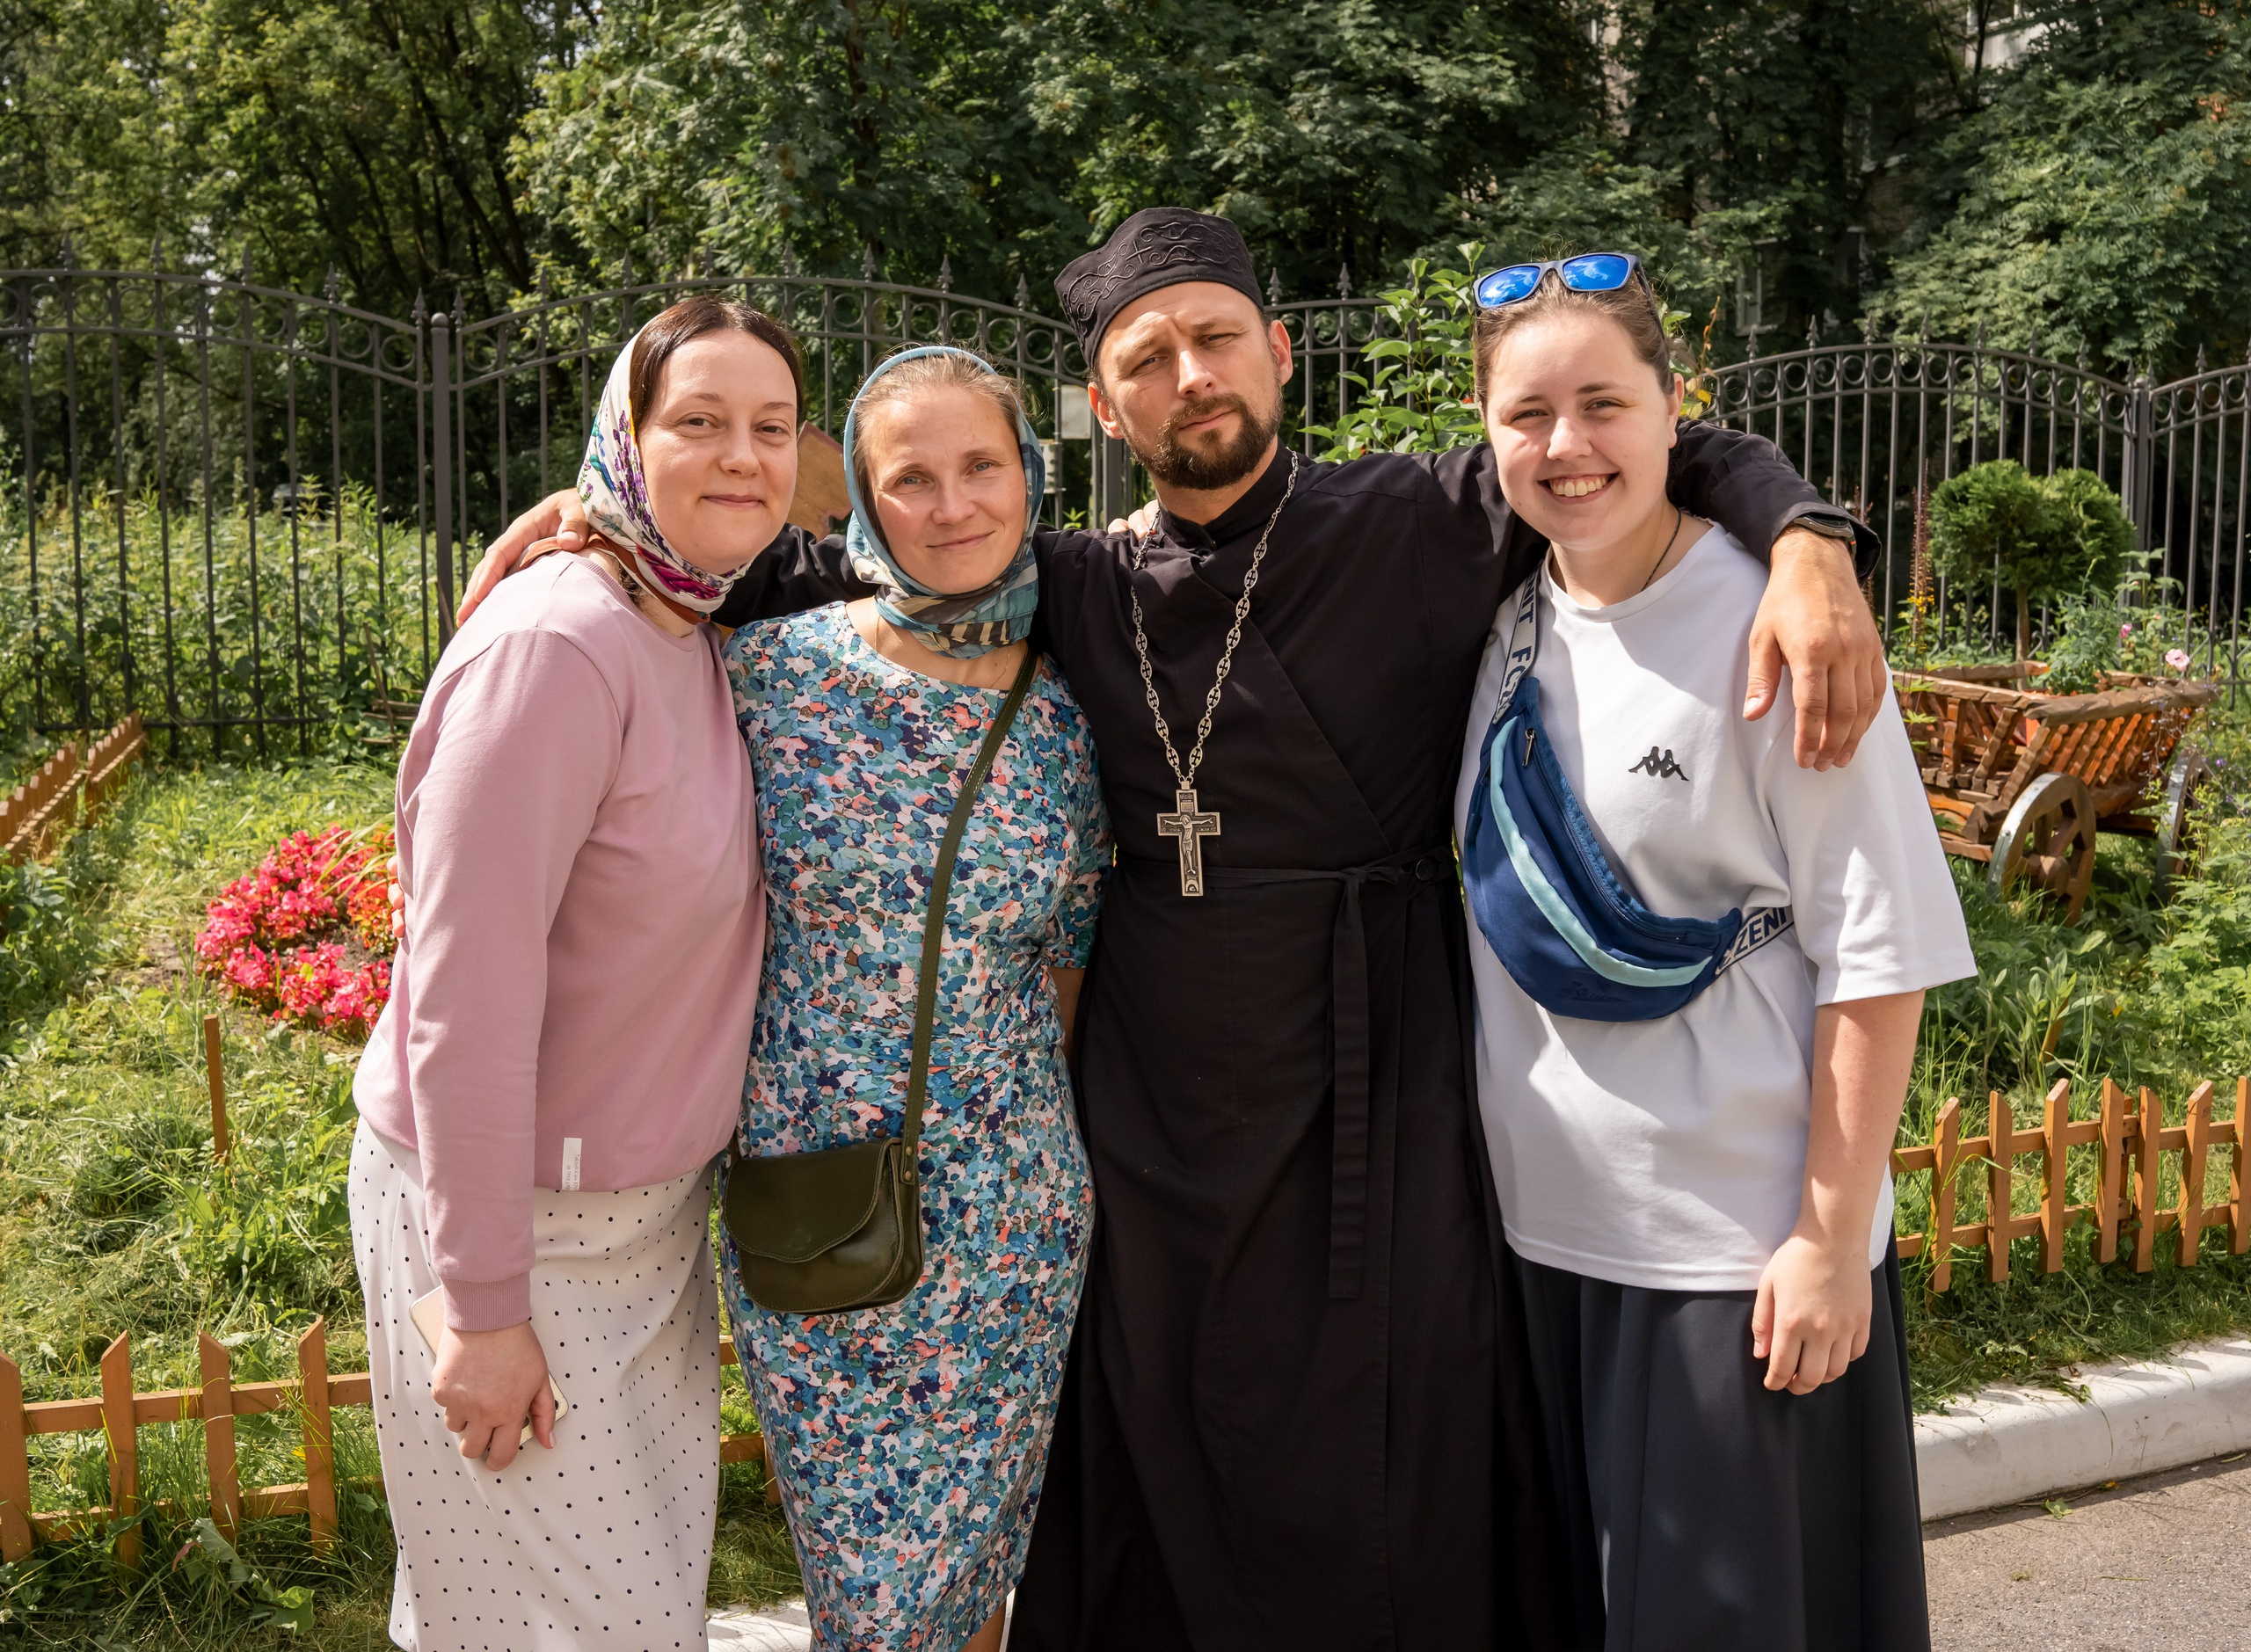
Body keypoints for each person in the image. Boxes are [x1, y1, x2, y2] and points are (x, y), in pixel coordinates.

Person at [460, 207, 1890, 1648]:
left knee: (1390, 1446)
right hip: (1153, 1099)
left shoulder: (1420, 515)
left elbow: (1637, 442)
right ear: (1104, 404)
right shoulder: (1071, 579)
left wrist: (1810, 539)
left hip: (1377, 1078)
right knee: (1165, 1423)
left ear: (1275, 354)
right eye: (1150, 357)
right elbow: (833, 564)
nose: (1190, 375)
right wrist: (600, 534)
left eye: (1216, 341)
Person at [1452, 257, 1974, 1648]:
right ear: (1485, 432)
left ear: (1676, 412)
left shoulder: (1780, 630)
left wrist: (1824, 1239)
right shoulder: (1503, 615)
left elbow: (1879, 951)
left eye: (1604, 404)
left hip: (1728, 1262)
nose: (1567, 447)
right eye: (1529, 414)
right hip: (1544, 1243)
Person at [349, 294, 800, 1652]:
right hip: (508, 1232)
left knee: (603, 1609)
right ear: (627, 438)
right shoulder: (560, 643)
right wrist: (482, 1311)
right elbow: (463, 999)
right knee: (574, 1625)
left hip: (641, 1232)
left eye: (771, 427)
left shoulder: (685, 616)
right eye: (699, 423)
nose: (742, 457)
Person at [715, 346, 1109, 1652]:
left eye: (981, 466)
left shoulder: (1071, 711)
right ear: (868, 503)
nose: (953, 506)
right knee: (872, 1595)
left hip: (1010, 1221)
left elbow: (1068, 962)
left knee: (978, 1573)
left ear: (1031, 473)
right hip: (819, 1199)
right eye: (913, 478)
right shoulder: (770, 676)